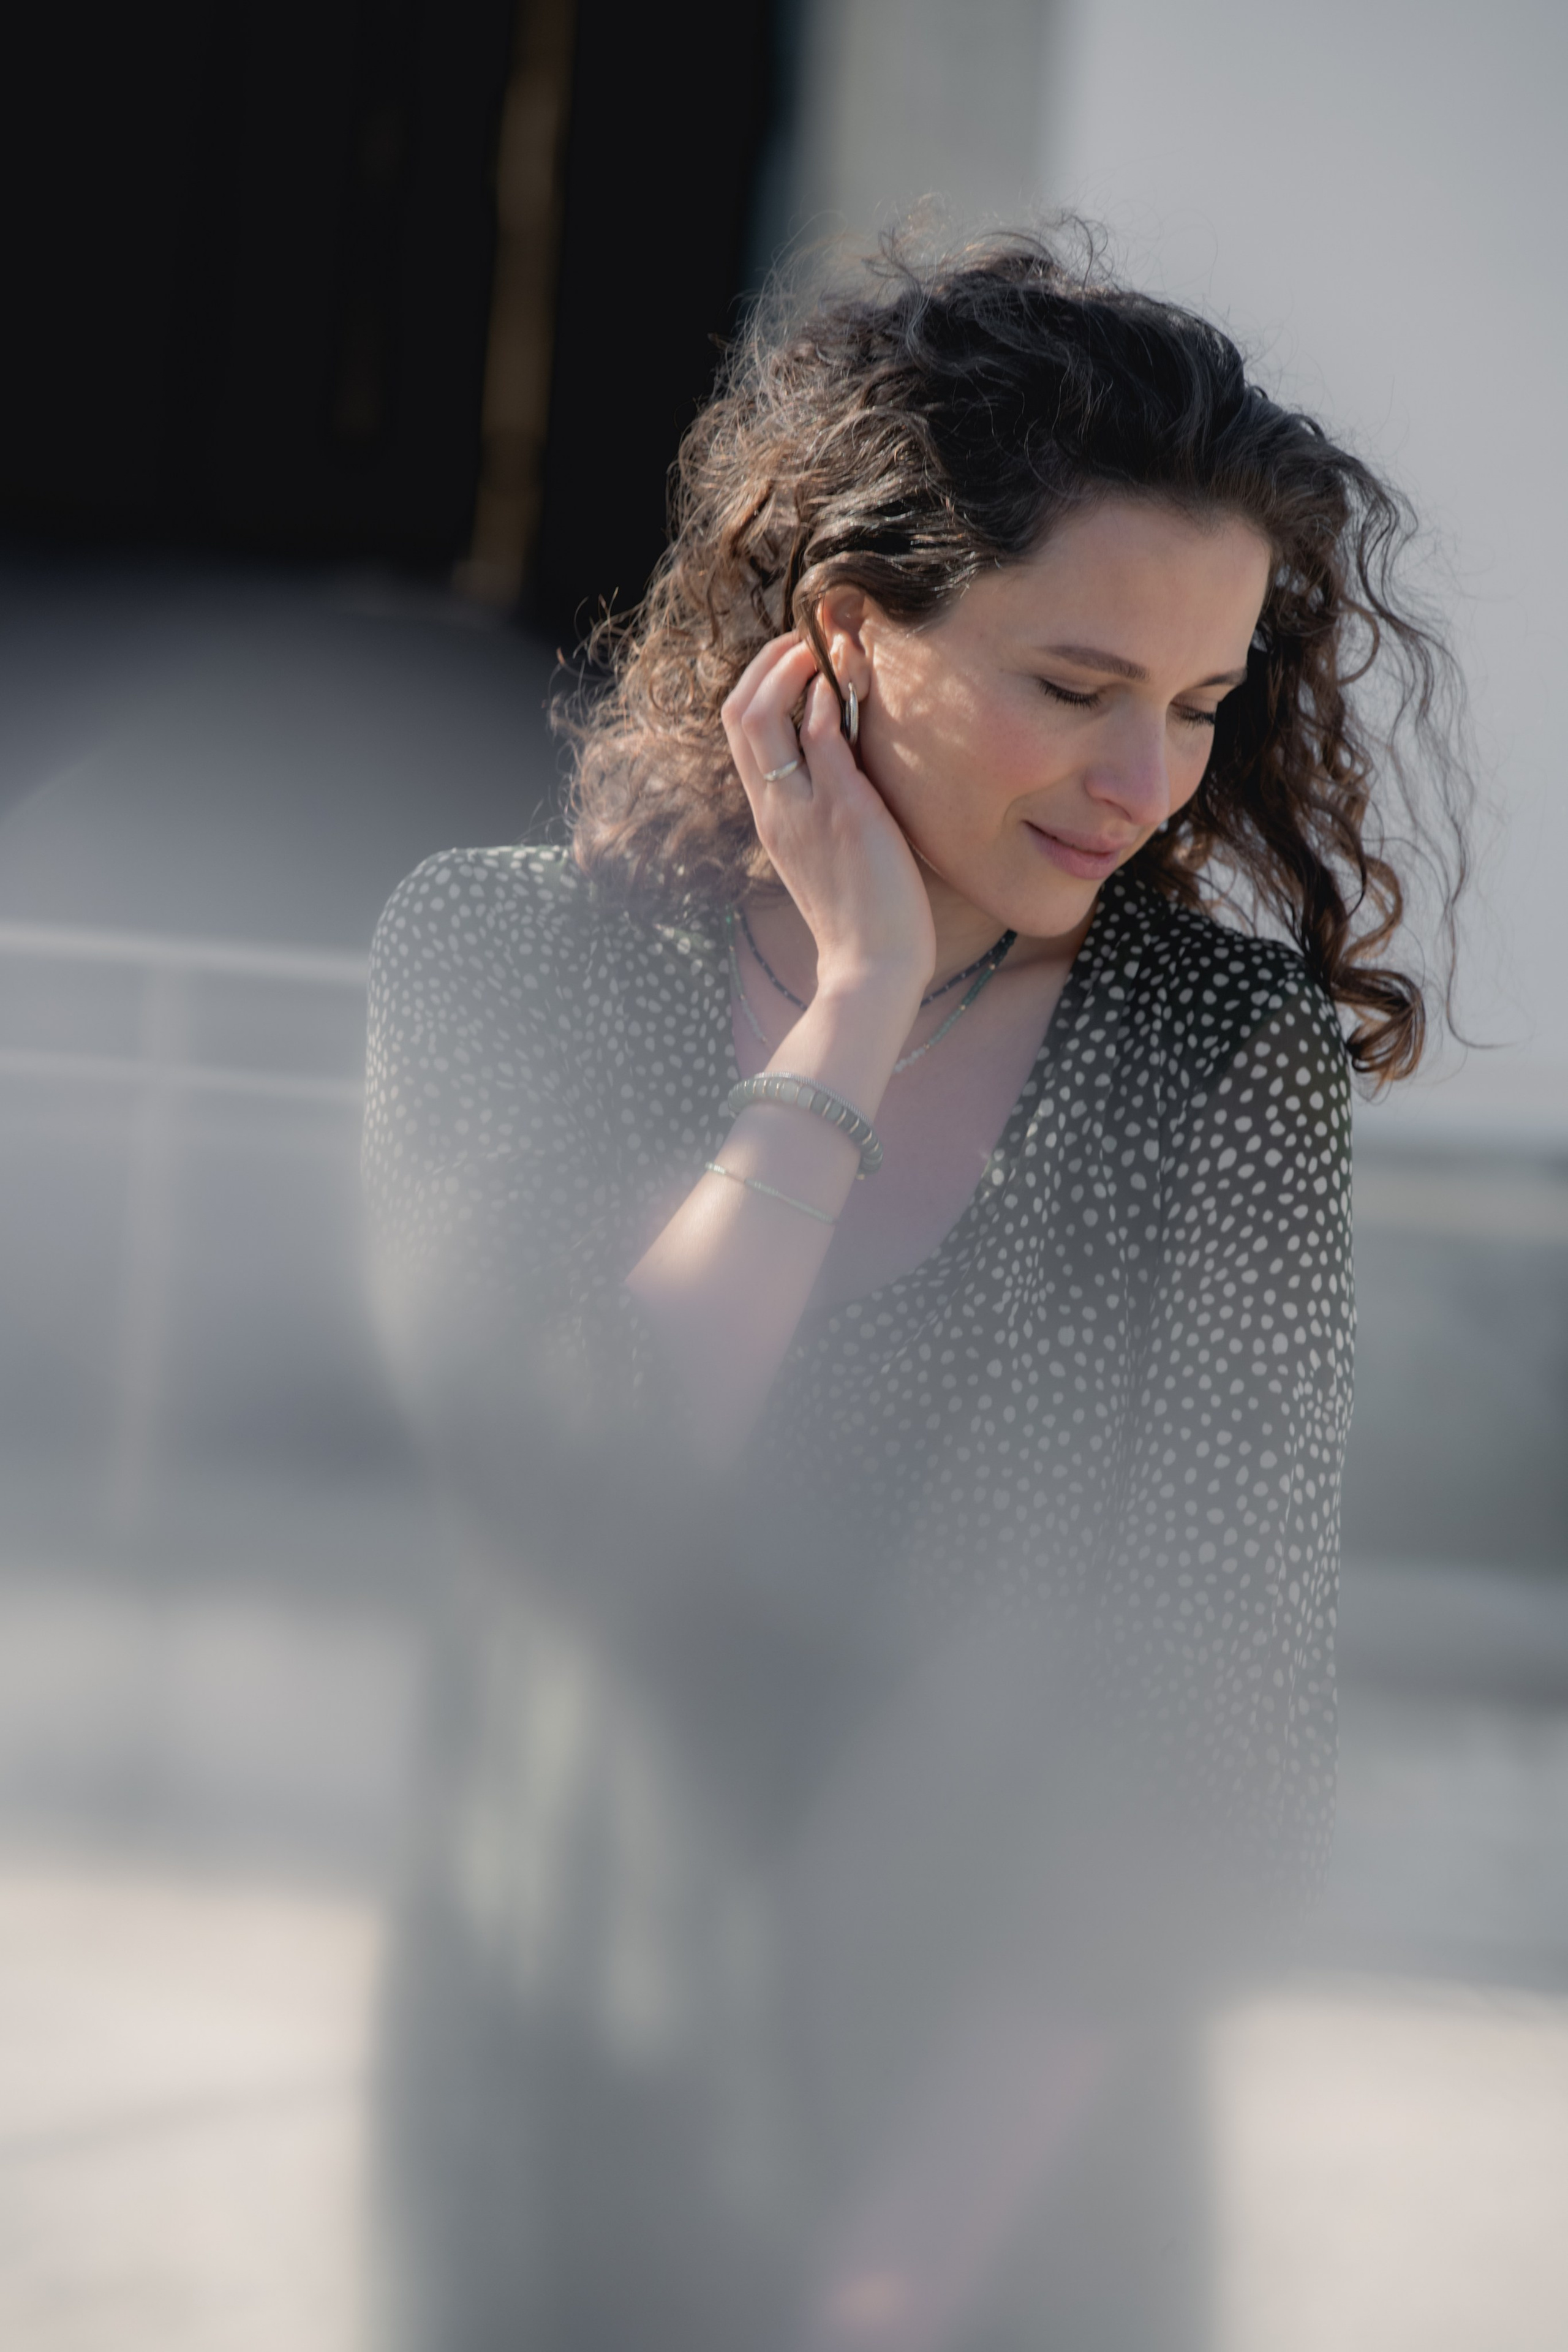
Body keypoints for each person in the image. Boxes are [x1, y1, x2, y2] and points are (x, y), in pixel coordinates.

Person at [362, 228, 1469, 2350]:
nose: (1149, 785)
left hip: (1012, 2159)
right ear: (844, 634)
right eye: (1076, 687)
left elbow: (1217, 1731)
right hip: (562, 2099)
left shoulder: (1218, 1056)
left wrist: (902, 2269)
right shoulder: (500, 961)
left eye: (1201, 706)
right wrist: (852, 1016)